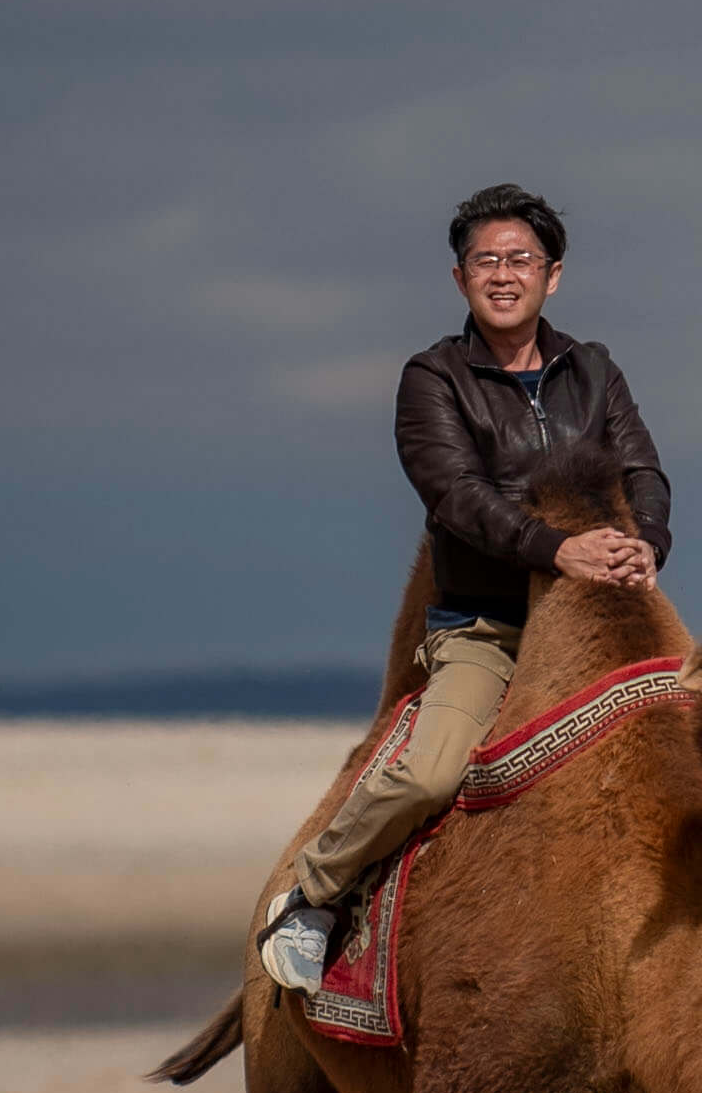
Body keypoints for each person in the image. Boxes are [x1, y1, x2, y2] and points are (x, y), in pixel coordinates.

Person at [254, 186, 675, 993]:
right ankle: (312, 895)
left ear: (553, 274)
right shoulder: (433, 379)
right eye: (486, 261)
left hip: (595, 622)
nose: (503, 275)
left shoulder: (593, 369)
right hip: (488, 626)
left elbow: (642, 469)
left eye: (520, 259)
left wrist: (645, 543)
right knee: (430, 775)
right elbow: (456, 496)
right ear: (460, 278)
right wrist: (560, 550)